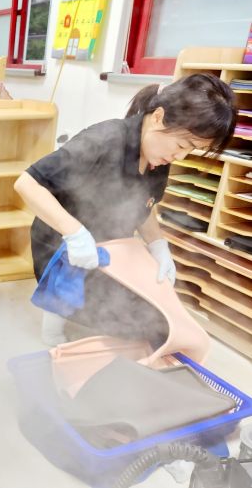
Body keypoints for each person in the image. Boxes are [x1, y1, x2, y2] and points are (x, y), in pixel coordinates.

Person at [14, 73, 237, 346]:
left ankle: (70, 307)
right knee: (130, 322)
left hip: (110, 248)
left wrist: (158, 246)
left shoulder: (157, 154)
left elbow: (145, 203)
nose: (180, 156)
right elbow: (27, 183)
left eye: (190, 150)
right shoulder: (103, 140)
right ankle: (55, 315)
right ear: (158, 117)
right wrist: (75, 234)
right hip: (61, 248)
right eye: (182, 145)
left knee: (156, 319)